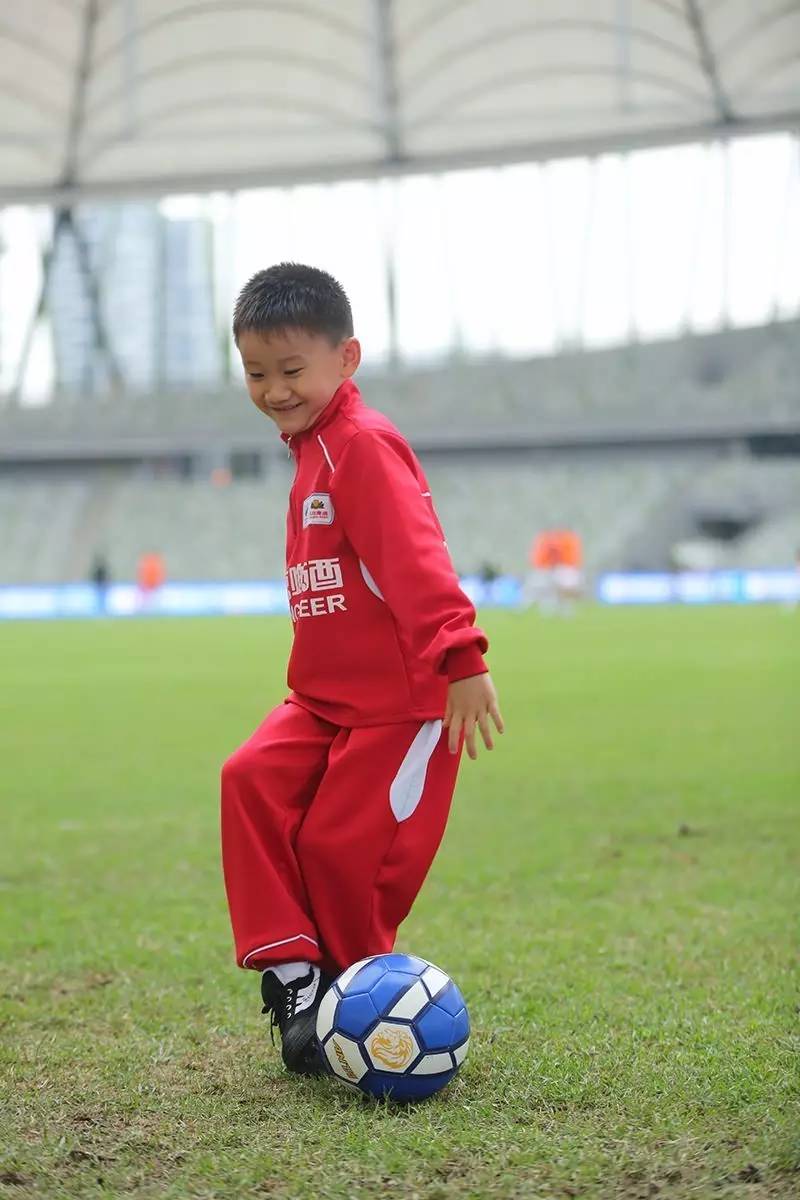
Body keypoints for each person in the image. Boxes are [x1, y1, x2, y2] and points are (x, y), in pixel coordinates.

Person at [220, 263, 503, 1076]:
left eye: (291, 370)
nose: (274, 389)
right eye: (256, 373)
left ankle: (349, 994)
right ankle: (296, 978)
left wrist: (459, 659)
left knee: (341, 847)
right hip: (323, 700)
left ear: (347, 360)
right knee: (250, 779)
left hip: (401, 702)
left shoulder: (362, 447)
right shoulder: (310, 451)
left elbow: (414, 559)